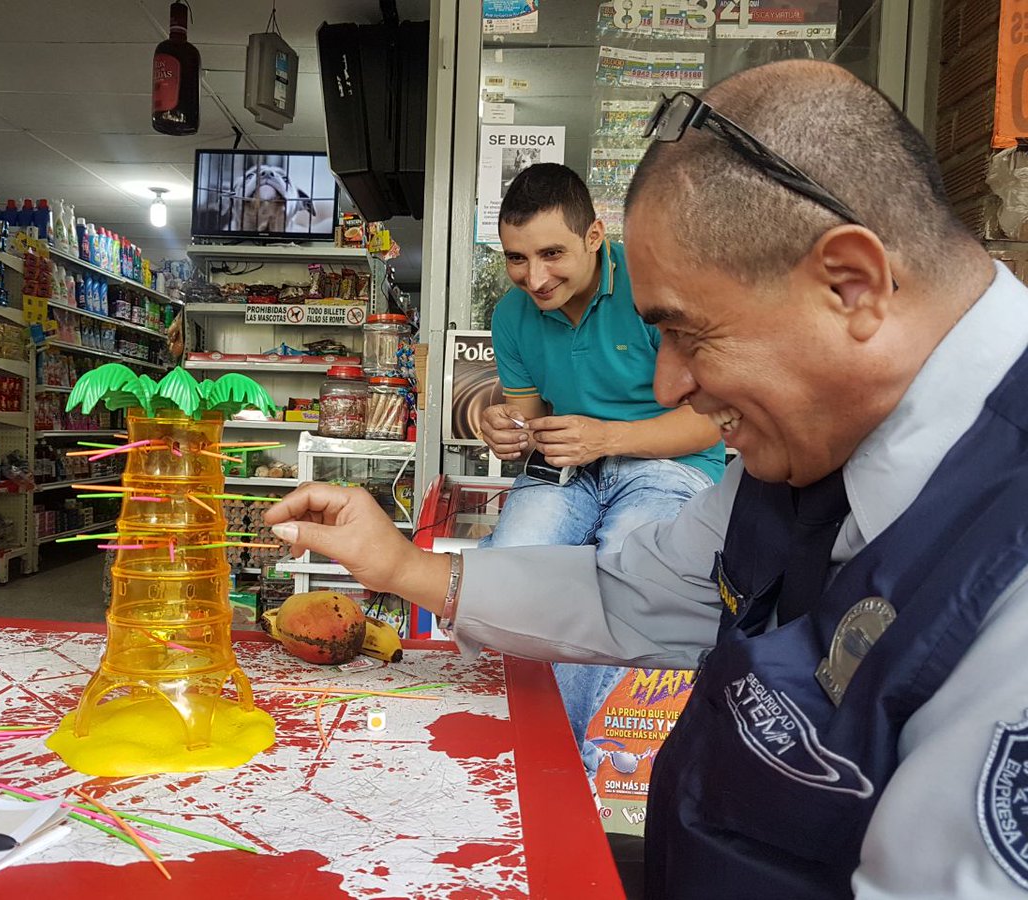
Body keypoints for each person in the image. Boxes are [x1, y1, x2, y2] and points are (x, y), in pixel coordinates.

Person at [265, 59, 1028, 898]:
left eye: (688, 334)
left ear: (849, 286)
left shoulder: (1005, 573)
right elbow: (625, 594)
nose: (667, 387)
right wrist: (405, 566)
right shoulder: (809, 455)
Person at [479, 162, 724, 775]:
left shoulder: (654, 287)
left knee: (625, 571)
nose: (534, 278)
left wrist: (605, 437)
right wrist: (504, 430)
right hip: (571, 465)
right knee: (517, 562)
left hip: (671, 461)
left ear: (595, 236)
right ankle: (533, 746)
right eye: (517, 258)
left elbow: (713, 419)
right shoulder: (511, 315)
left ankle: (560, 762)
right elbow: (528, 420)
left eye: (552, 253)